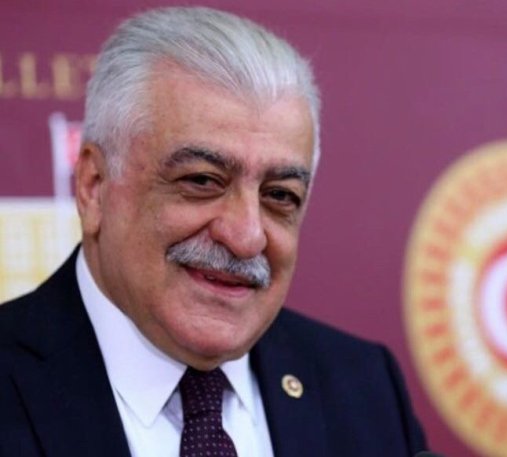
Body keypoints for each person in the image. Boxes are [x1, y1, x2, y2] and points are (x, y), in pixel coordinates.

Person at [0, 6, 427, 457]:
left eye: (279, 195)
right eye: (202, 181)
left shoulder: (364, 387)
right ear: (94, 186)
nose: (246, 237)